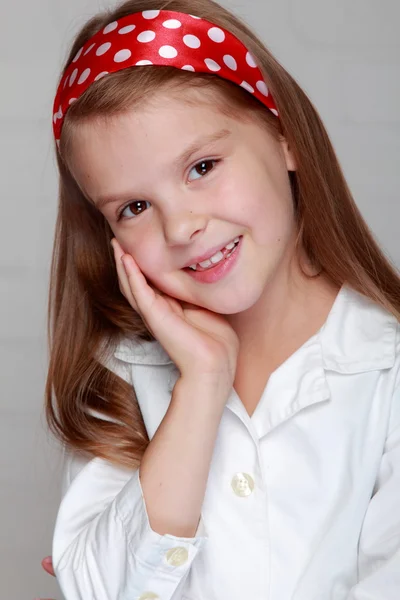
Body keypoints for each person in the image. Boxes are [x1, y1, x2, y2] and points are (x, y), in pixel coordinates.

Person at [38, 0, 400, 598]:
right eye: (133, 207)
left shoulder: (384, 373)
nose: (180, 228)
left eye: (202, 166)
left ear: (285, 138)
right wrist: (202, 383)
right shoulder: (119, 378)